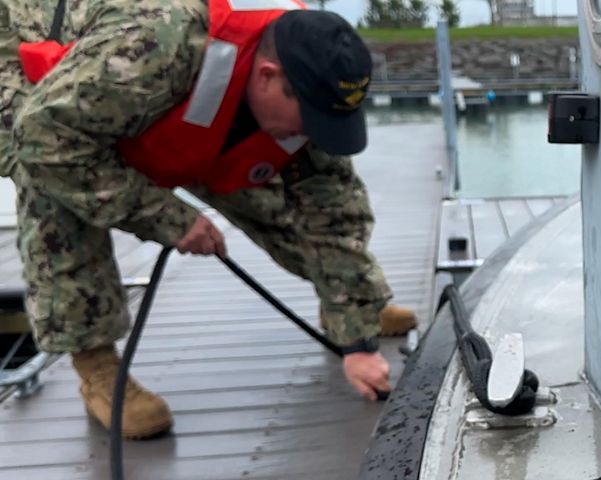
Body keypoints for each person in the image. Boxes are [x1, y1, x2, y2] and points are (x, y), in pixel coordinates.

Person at [0, 0, 417, 439]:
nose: (312, 132)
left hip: (149, 87)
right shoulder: (156, 47)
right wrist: (171, 219)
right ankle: (97, 368)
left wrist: (356, 333)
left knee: (286, 191)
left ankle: (347, 303)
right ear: (267, 77)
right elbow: (45, 139)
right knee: (50, 182)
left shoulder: (302, 60)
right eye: (310, 120)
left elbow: (332, 208)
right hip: (30, 65)